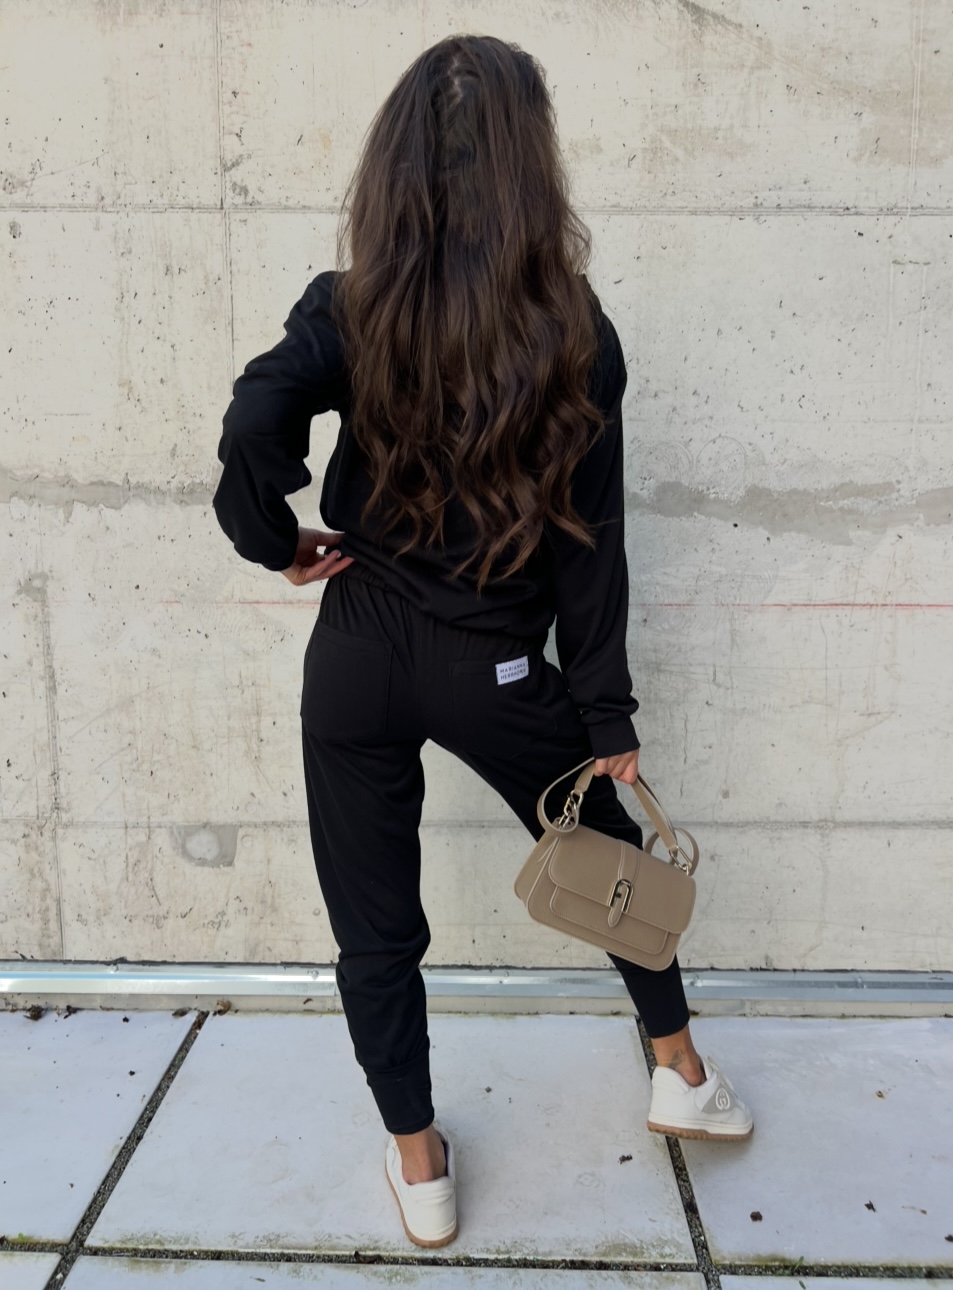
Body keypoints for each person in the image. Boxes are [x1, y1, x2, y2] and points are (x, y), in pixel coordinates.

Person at [212, 33, 752, 1250]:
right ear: (527, 166)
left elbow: (253, 420)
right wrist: (603, 713)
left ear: (395, 164)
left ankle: (420, 1168)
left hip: (354, 655)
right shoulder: (574, 331)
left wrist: (272, 541)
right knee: (609, 863)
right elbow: (590, 544)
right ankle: (677, 1069)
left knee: (372, 924)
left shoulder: (349, 306)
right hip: (493, 666)